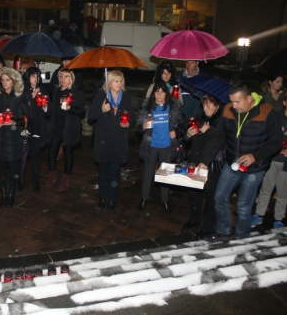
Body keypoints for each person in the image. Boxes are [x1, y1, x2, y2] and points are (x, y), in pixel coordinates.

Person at [206, 82, 282, 241]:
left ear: (249, 99)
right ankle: (223, 231)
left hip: (255, 168)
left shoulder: (268, 112)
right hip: (232, 163)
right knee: (219, 197)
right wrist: (203, 161)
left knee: (243, 207)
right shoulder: (228, 110)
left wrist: (256, 156)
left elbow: (276, 142)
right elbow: (219, 137)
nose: (233, 106)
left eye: (237, 102)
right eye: (231, 101)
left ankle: (242, 239)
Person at [251, 89, 287, 229]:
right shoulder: (276, 117)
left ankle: (279, 218)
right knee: (265, 189)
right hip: (273, 159)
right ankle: (259, 215)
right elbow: (266, 135)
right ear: (284, 102)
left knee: (283, 193)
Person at [88, 70, 134, 210]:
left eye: (121, 81)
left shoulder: (125, 97)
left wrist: (127, 123)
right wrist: (102, 109)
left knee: (115, 172)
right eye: (115, 81)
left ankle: (113, 199)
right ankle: (102, 197)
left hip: (118, 141)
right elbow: (91, 117)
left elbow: (131, 116)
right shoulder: (101, 96)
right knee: (103, 172)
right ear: (109, 82)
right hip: (103, 140)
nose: (119, 84)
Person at [137, 81, 186, 213]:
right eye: (157, 92)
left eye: (162, 92)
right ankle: (144, 197)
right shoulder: (148, 108)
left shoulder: (173, 108)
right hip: (151, 145)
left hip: (166, 146)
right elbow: (139, 128)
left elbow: (183, 124)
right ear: (153, 94)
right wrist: (143, 127)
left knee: (165, 174)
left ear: (166, 94)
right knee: (148, 173)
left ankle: (165, 200)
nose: (159, 95)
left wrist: (177, 132)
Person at [182, 94, 224, 239]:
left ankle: (207, 227)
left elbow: (221, 142)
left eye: (208, 106)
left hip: (211, 164)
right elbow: (188, 141)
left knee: (210, 197)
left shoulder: (222, 120)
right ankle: (194, 219)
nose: (205, 109)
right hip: (195, 160)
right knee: (194, 193)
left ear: (217, 105)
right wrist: (188, 134)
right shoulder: (200, 117)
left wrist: (209, 132)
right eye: (204, 105)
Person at [0, 68, 25, 207]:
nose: (5, 82)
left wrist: (16, 122)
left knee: (13, 168)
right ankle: (3, 194)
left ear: (14, 81)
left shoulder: (20, 96)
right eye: (2, 80)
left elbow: (27, 116)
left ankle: (11, 194)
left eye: (7, 79)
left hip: (13, 137)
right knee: (0, 167)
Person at [46, 69, 86, 191]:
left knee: (68, 153)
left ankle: (65, 178)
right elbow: (53, 109)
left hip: (69, 127)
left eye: (66, 76)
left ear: (71, 78)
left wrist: (70, 108)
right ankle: (52, 174)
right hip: (57, 125)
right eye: (61, 76)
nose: (63, 79)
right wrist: (45, 107)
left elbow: (82, 112)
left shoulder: (76, 92)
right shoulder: (57, 90)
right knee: (52, 151)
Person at [20, 67, 48, 192]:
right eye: (33, 76)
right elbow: (22, 108)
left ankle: (35, 180)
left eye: (37, 76)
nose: (35, 79)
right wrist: (31, 97)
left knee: (36, 156)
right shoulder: (23, 90)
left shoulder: (43, 90)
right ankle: (20, 179)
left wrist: (45, 106)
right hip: (26, 127)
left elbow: (49, 110)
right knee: (24, 156)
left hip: (38, 127)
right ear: (28, 77)